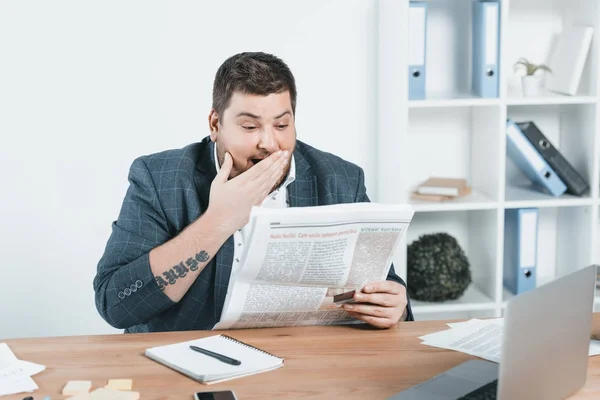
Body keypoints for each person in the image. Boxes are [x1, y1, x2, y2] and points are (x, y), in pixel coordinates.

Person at [93, 52, 414, 333]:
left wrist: (392, 305)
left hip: (307, 362)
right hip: (188, 359)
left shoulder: (339, 178)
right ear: (215, 124)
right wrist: (218, 221)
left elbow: (384, 284)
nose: (269, 143)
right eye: (250, 127)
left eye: (281, 125)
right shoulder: (159, 177)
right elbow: (116, 305)